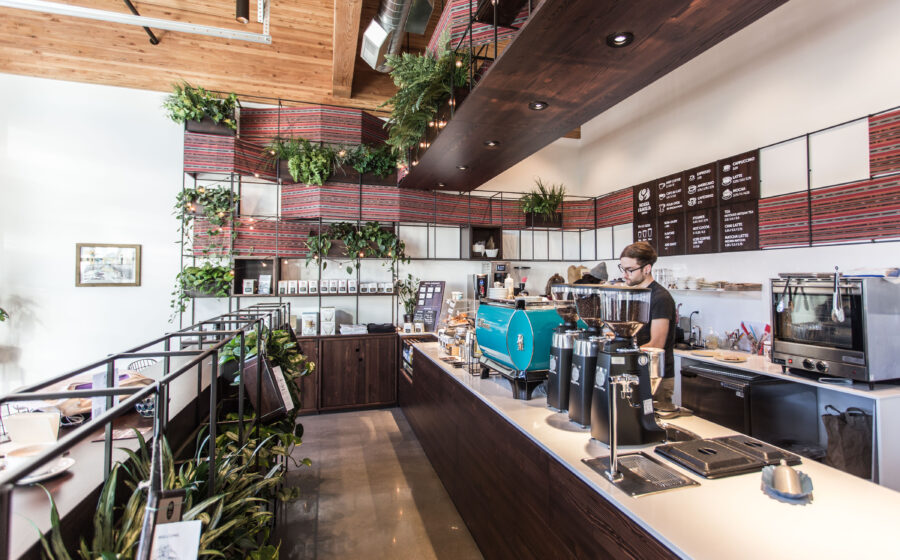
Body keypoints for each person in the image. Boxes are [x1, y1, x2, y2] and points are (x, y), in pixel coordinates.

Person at [618, 242, 677, 411]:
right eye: (622, 269)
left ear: (647, 269)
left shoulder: (660, 298)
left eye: (630, 270)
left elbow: (655, 345)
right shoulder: (635, 294)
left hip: (655, 377)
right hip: (635, 372)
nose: (624, 275)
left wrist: (622, 353)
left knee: (651, 422)